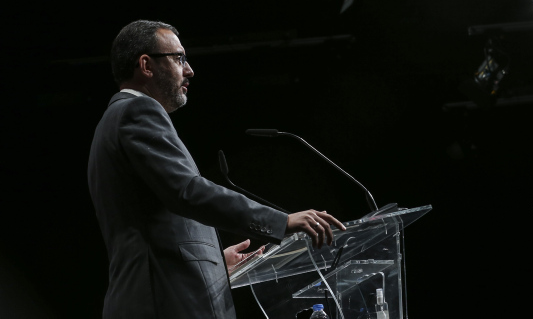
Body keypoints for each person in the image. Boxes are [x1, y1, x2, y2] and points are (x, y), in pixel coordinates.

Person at [88, 20, 346, 319]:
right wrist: (281, 222)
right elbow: (187, 191)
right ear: (146, 65)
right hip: (162, 303)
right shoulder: (137, 111)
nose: (189, 70)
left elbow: (150, 221)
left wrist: (211, 262)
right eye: (179, 58)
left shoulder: (114, 120)